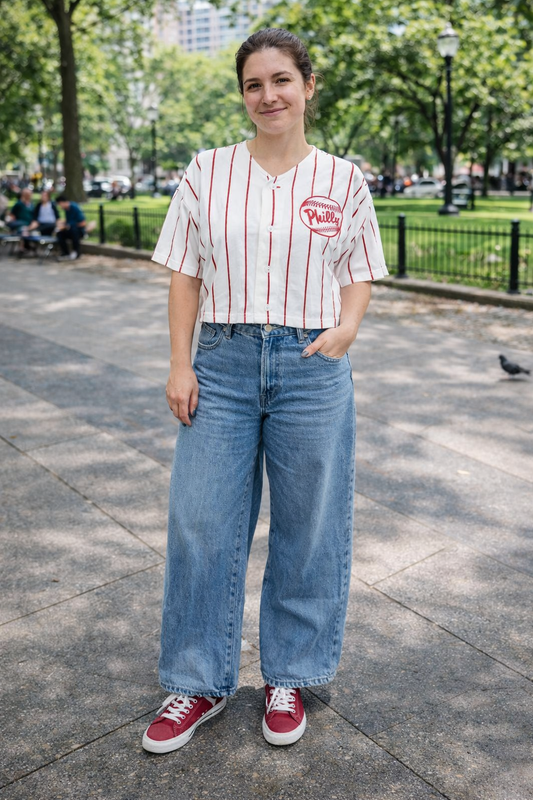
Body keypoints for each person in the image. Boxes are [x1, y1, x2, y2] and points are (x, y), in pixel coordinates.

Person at [142, 27, 388, 755]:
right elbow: (185, 271)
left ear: (307, 87)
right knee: (200, 520)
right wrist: (179, 364)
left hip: (312, 364)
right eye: (253, 84)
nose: (267, 95)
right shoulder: (206, 171)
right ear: (242, 95)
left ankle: (291, 674)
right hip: (219, 360)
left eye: (281, 80)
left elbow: (359, 266)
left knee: (309, 524)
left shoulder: (342, 180)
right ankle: (197, 680)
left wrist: (346, 327)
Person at [55, 194, 86, 260]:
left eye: (59, 204)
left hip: (78, 231)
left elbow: (83, 223)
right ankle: (65, 253)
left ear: (62, 202)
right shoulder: (66, 210)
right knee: (60, 233)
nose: (59, 206)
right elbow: (69, 221)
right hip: (70, 230)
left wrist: (69, 226)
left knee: (74, 230)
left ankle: (76, 252)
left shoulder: (74, 207)